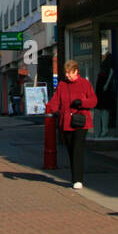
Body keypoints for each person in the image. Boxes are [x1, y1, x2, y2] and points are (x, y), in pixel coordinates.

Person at [45, 60, 98, 190]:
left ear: (76, 71)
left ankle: (77, 179)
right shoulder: (62, 85)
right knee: (71, 150)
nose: (68, 76)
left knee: (77, 149)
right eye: (66, 74)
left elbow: (93, 101)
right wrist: (53, 110)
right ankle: (75, 177)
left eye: (70, 74)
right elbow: (55, 101)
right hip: (67, 122)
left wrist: (81, 102)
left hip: (80, 121)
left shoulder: (85, 84)